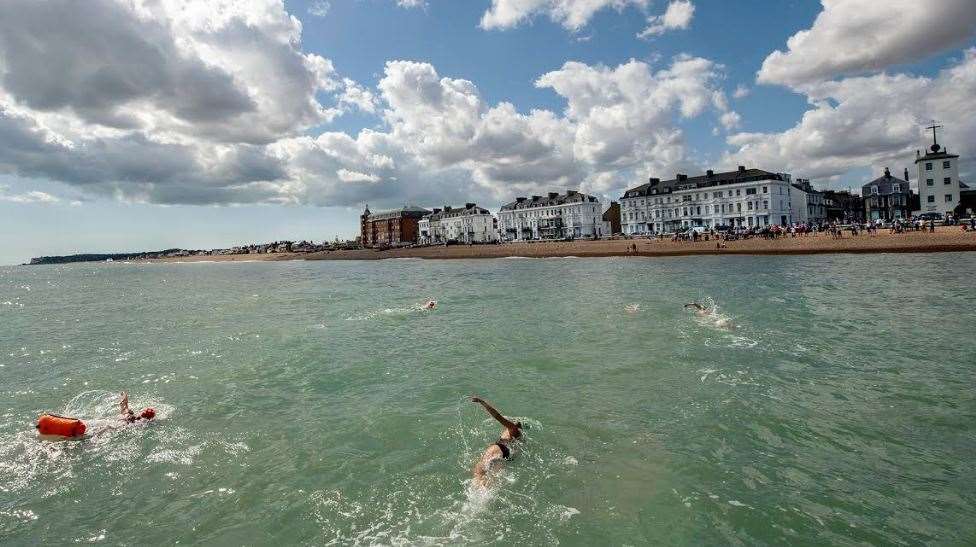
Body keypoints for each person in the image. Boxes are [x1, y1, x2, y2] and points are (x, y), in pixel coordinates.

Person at [470, 397, 523, 487]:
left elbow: (497, 416)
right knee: (491, 481)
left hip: (498, 448)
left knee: (478, 474)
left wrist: (482, 402)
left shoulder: (512, 427)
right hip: (506, 456)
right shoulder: (519, 437)